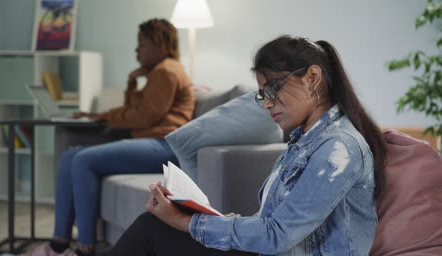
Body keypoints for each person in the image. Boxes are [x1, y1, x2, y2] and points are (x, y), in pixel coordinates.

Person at [109, 35, 387, 256]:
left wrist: (185, 222)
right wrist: (220, 220)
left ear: (312, 77)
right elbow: (276, 226)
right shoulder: (305, 142)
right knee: (154, 228)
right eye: (261, 95)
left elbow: (278, 235)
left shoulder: (338, 148)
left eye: (271, 89)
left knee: (153, 230)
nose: (266, 103)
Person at [27, 18, 195, 256]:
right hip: (154, 141)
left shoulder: (166, 71)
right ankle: (59, 242)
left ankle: (85, 246)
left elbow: (143, 117)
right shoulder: (159, 72)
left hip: (165, 146)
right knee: (70, 156)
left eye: (142, 44)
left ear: (159, 45)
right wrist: (131, 84)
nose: (137, 50)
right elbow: (138, 110)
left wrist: (102, 116)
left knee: (83, 160)